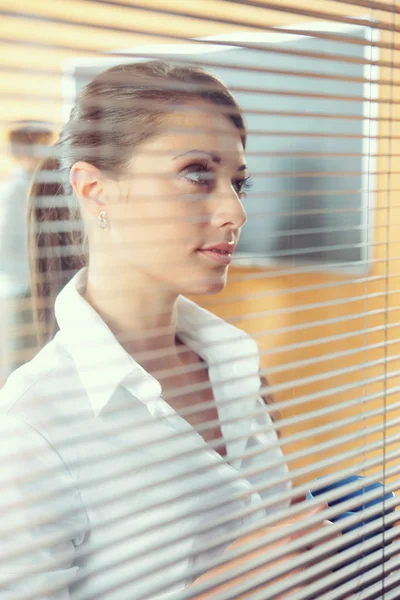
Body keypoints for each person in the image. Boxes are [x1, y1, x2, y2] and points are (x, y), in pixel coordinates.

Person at [0, 61, 330, 599]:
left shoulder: (236, 367)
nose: (236, 211)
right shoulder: (29, 427)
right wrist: (226, 585)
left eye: (239, 182)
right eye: (197, 174)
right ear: (95, 190)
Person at [0, 120, 53, 380]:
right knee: (17, 371)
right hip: (20, 291)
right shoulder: (12, 194)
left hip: (38, 289)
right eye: (41, 146)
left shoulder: (41, 188)